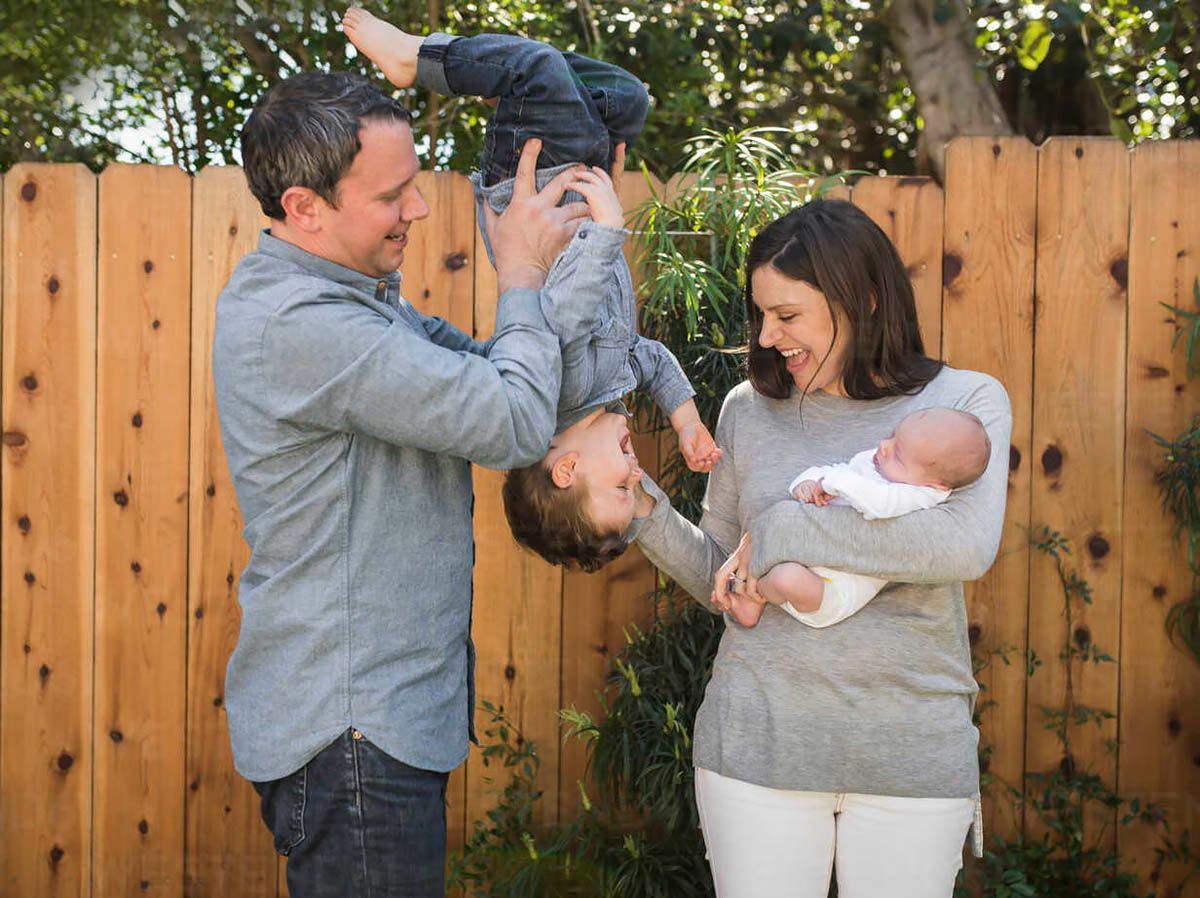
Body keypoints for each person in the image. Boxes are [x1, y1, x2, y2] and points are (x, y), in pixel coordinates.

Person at [213, 69, 592, 897]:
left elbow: (499, 375)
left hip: (372, 728)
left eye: (415, 184)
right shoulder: (309, 326)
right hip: (354, 734)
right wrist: (519, 276)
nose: (418, 209)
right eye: (394, 194)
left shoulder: (354, 304)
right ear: (306, 207)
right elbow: (512, 421)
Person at [627, 198, 1013, 898]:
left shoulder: (965, 402)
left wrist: (779, 529)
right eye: (762, 315)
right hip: (758, 746)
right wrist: (640, 509)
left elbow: (960, 546)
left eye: (788, 315)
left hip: (911, 757)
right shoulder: (747, 408)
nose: (768, 336)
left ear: (861, 300)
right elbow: (726, 573)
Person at [342, 10, 721, 571]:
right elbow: (654, 358)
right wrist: (687, 424)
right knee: (627, 98)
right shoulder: (609, 390)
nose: (638, 477)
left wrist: (607, 229)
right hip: (580, 179)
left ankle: (415, 59)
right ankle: (500, 77)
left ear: (565, 472)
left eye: (621, 491)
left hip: (530, 185)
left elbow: (565, 311)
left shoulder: (559, 396)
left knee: (534, 69)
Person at [723, 406, 992, 628]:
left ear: (936, 484)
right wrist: (808, 482)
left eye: (898, 454)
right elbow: (835, 470)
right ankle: (751, 603)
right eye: (892, 435)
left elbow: (878, 505)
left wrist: (831, 483)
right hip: (808, 558)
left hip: (835, 590)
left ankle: (756, 596)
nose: (883, 446)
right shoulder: (876, 464)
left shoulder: (921, 495)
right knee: (772, 566)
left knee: (785, 579)